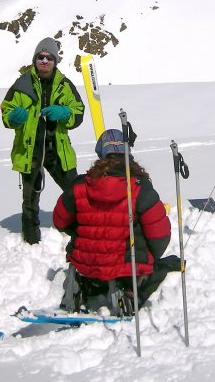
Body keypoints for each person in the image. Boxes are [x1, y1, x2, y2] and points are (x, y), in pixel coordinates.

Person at [52, 129, 172, 313]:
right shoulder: (139, 187)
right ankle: (128, 292)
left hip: (86, 264)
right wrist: (148, 257)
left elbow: (60, 221)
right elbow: (160, 235)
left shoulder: (79, 185)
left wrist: (84, 233)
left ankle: (83, 287)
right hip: (126, 267)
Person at [1, 38, 85, 244]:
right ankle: (31, 239)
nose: (45, 61)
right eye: (41, 57)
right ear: (35, 59)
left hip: (58, 150)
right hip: (30, 150)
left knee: (76, 192)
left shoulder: (65, 85)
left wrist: (65, 113)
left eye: (49, 58)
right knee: (30, 199)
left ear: (55, 61)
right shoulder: (22, 84)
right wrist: (13, 119)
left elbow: (79, 112)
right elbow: (6, 111)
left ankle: (83, 230)